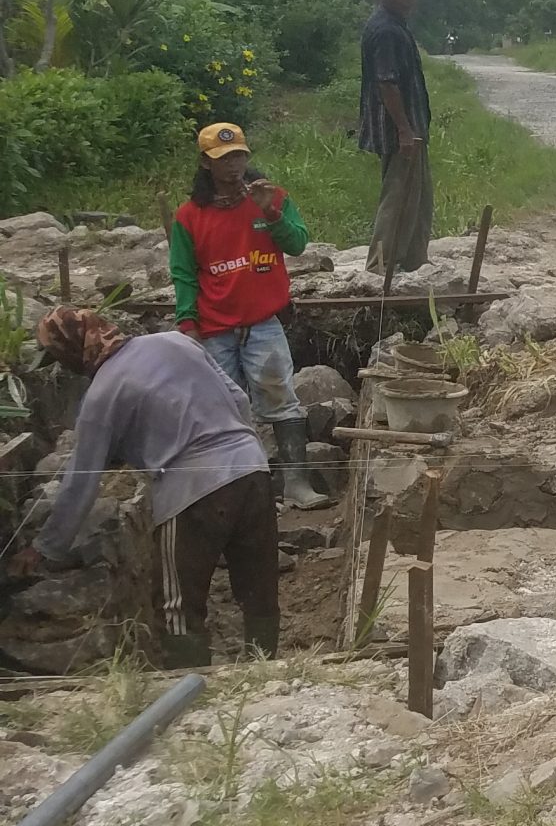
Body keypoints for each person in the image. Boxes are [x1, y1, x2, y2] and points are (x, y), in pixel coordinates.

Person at [13, 310, 279, 667]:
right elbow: (240, 401)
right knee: (258, 586)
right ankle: (266, 672)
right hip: (252, 468)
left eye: (60, 357)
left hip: (192, 492)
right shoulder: (177, 341)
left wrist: (45, 548)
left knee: (177, 605)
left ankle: (193, 691)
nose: (62, 367)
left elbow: (81, 481)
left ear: (73, 349)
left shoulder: (102, 395)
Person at [171, 123, 330, 510]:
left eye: (240, 155)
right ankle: (243, 493)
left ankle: (296, 483)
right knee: (222, 407)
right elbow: (184, 273)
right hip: (214, 326)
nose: (235, 165)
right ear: (206, 163)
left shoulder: (270, 198)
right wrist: (187, 322)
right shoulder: (189, 216)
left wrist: (271, 212)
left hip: (262, 321)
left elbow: (297, 243)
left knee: (280, 395)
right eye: (224, 158)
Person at [360, 0, 433, 275]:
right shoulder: (386, 30)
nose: (409, 0)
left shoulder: (396, 24)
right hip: (396, 129)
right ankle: (380, 265)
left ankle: (415, 259)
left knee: (418, 196)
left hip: (410, 125)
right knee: (397, 196)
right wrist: (404, 129)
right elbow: (386, 82)